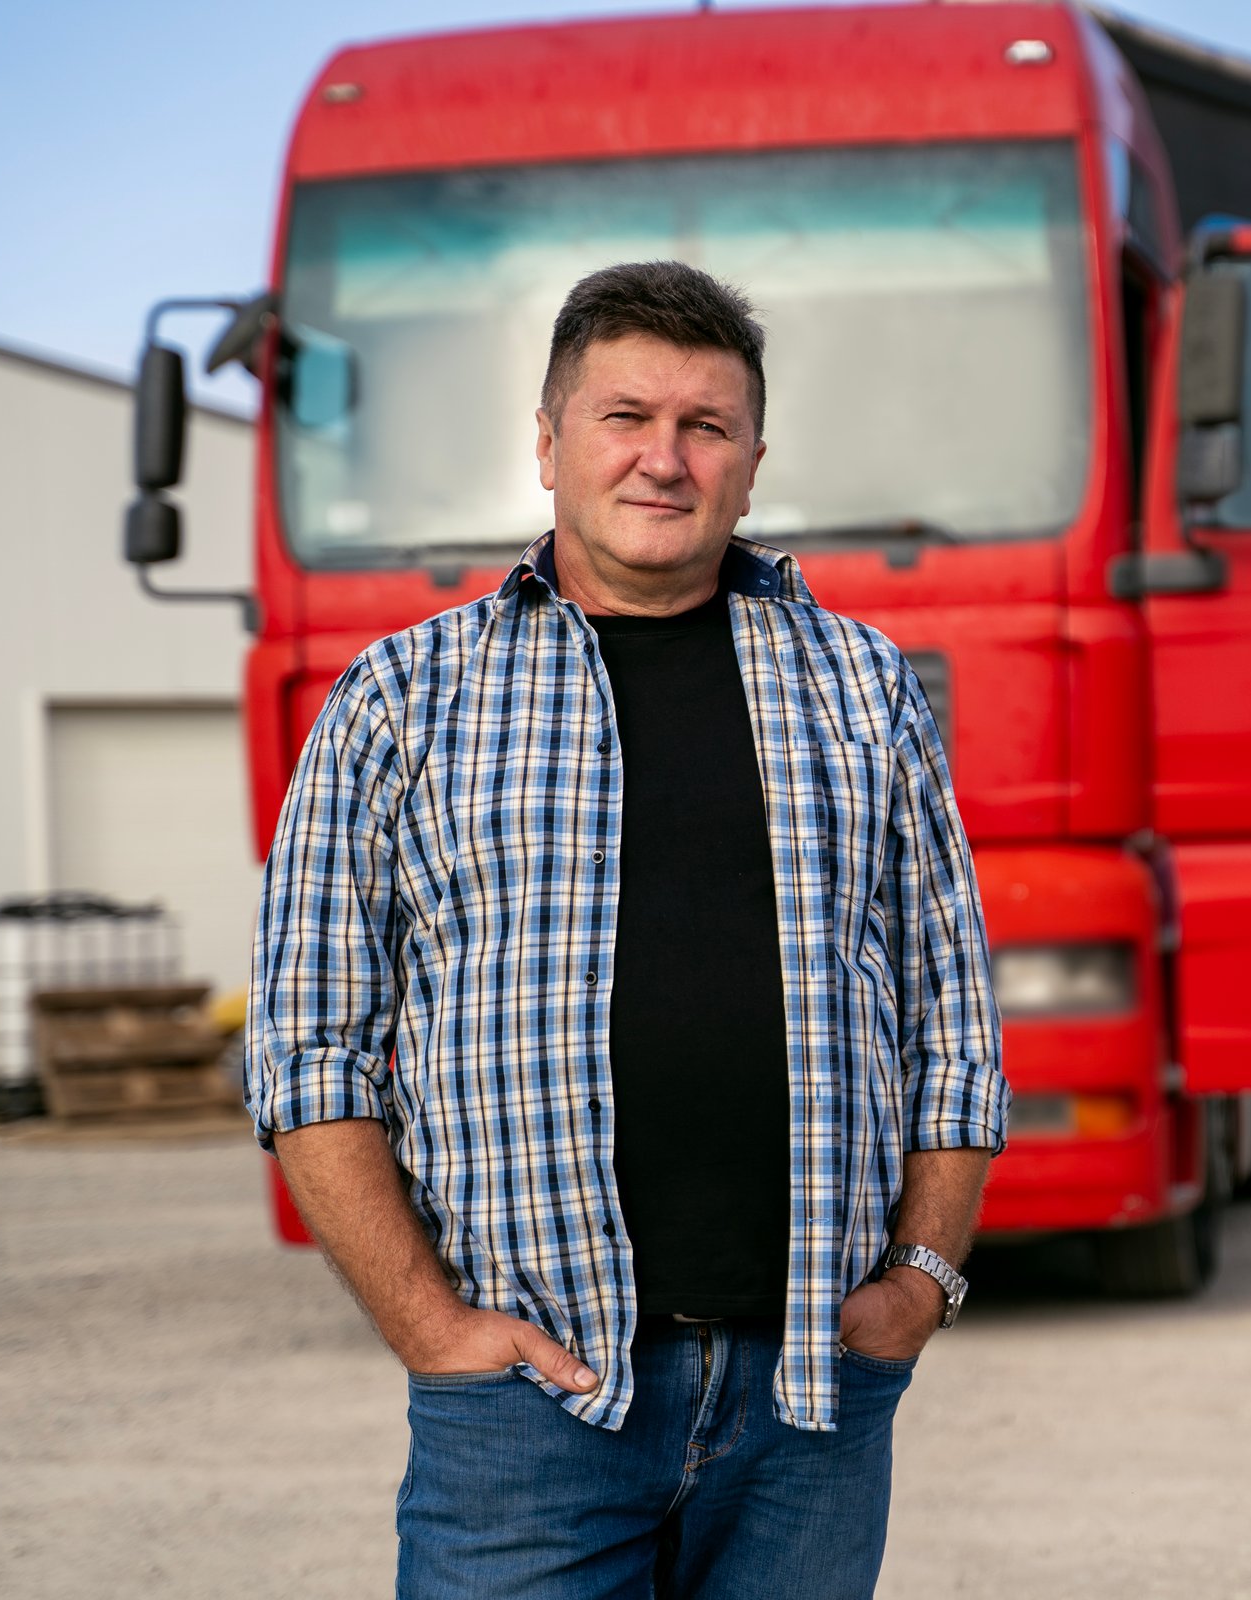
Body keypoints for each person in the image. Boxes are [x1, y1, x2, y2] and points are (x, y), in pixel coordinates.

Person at [245, 260, 1006, 1599]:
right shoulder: (398, 704)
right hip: (531, 1415)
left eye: (706, 427)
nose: (665, 459)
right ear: (547, 443)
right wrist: (429, 1328)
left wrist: (921, 1282)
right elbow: (310, 1056)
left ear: (753, 464)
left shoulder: (865, 689)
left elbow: (954, 1021)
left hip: (809, 1409)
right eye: (624, 418)